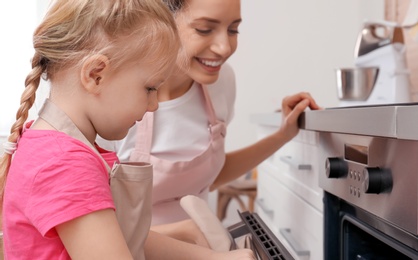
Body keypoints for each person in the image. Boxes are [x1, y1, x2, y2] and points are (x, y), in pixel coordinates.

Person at [0, 0, 255, 259]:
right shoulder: (65, 163)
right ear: (96, 75)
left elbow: (115, 239)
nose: (154, 105)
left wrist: (213, 257)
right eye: (149, 89)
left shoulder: (51, 144)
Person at [97, 0, 320, 228]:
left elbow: (208, 178)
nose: (224, 48)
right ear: (160, 21)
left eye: (233, 29)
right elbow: (92, 222)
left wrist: (282, 135)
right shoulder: (114, 97)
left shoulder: (221, 83)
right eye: (204, 29)